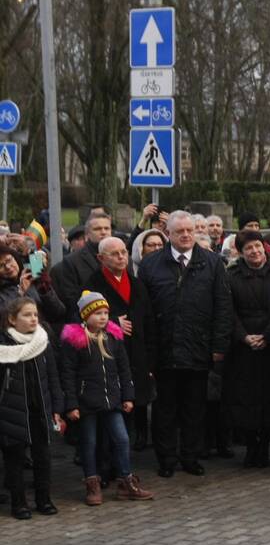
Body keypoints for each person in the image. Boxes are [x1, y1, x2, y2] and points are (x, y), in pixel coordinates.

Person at [139, 211, 232, 478]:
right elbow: (145, 312)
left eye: (190, 230)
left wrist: (218, 346)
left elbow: (222, 307)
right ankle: (166, 458)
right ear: (168, 234)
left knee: (195, 407)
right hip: (164, 350)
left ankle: (191, 455)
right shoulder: (151, 265)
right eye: (180, 231)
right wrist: (149, 352)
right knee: (165, 408)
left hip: (198, 348)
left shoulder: (212, 263)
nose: (186, 235)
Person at [59, 292, 153, 505]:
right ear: (85, 315)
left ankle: (125, 481)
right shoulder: (75, 341)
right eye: (97, 313)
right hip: (86, 402)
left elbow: (124, 368)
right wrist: (72, 403)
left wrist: (128, 395)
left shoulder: (114, 337)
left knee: (122, 439)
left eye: (105, 313)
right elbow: (68, 373)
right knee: (89, 443)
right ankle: (92, 483)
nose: (103, 317)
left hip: (112, 399)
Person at [82, 237, 157, 452]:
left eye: (123, 252)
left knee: (138, 399)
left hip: (138, 354)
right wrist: (114, 322)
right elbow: (82, 319)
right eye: (114, 253)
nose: (121, 257)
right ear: (101, 258)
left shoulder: (136, 283)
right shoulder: (92, 284)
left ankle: (138, 440)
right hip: (108, 356)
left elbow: (149, 321)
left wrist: (151, 360)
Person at [0, 298, 64, 519]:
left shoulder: (42, 341)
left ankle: (43, 499)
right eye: (27, 315)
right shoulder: (4, 346)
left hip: (40, 408)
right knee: (15, 459)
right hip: (12, 410)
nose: (33, 319)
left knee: (43, 457)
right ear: (12, 319)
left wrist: (57, 406)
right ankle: (19, 504)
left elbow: (53, 377)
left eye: (35, 314)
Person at [225, 231, 270, 468]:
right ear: (240, 251)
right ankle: (250, 446)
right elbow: (229, 311)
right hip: (243, 346)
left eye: (258, 246)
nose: (254, 252)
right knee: (245, 398)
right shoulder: (231, 276)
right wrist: (244, 337)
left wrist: (267, 335)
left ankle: (264, 445)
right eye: (249, 248)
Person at [52, 211, 112, 308]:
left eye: (107, 228)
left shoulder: (121, 257)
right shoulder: (72, 261)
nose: (103, 232)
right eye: (97, 229)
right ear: (87, 235)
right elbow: (70, 299)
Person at [0, 244, 66, 326]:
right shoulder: (2, 294)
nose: (8, 267)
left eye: (9, 260)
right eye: (1, 266)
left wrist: (44, 289)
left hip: (47, 334)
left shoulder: (32, 277)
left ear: (15, 258)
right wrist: (21, 294)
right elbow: (8, 322)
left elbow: (58, 313)